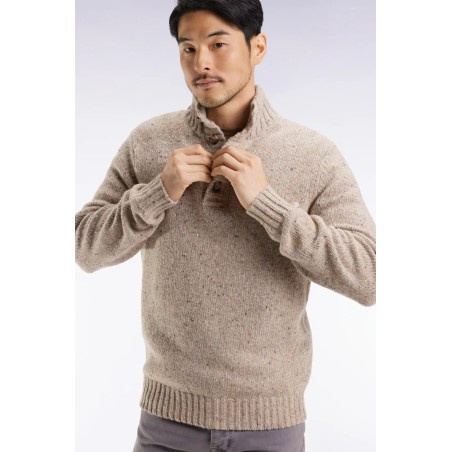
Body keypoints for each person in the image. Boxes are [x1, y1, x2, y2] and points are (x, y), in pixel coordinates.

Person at [75, 0, 376, 450]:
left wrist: (269, 206)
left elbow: (370, 275)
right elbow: (84, 247)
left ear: (258, 48)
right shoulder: (148, 142)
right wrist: (157, 192)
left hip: (271, 425)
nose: (202, 63)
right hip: (165, 422)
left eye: (218, 44)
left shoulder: (314, 154)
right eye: (188, 48)